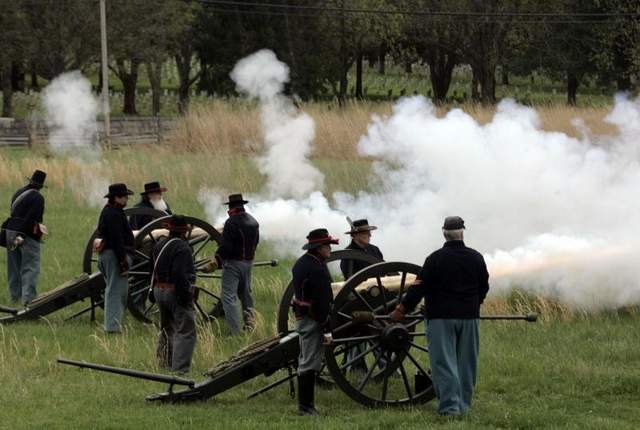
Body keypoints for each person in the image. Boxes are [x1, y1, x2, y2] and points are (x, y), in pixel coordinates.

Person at [390, 216, 490, 416]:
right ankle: (464, 406)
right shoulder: (476, 257)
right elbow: (484, 286)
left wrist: (402, 309)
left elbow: (418, 288)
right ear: (462, 232)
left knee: (444, 363)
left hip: (440, 317)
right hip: (469, 317)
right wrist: (473, 304)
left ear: (444, 233)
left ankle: (450, 408)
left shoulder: (434, 259)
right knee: (467, 363)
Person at [292, 228, 338, 416]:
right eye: (327, 246)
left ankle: (306, 405)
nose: (330, 249)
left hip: (303, 317)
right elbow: (321, 304)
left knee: (306, 359)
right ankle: (305, 407)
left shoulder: (302, 263)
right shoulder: (317, 269)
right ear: (319, 248)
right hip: (312, 319)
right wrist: (327, 329)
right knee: (309, 362)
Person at [152, 215, 197, 375]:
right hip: (175, 291)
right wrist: (186, 295)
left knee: (166, 328)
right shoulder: (183, 248)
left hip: (159, 290)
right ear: (184, 231)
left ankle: (164, 363)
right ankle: (180, 371)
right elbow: (180, 274)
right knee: (185, 331)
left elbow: (153, 269)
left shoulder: (159, 244)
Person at [340, 217, 384, 373]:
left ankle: (384, 365)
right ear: (354, 236)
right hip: (359, 300)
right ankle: (357, 367)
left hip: (379, 298)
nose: (369, 236)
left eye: (369, 233)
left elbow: (386, 271)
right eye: (365, 233)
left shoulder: (375, 250)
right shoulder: (347, 255)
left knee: (378, 332)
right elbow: (349, 281)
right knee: (363, 331)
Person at [214, 194, 259, 335]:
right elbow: (256, 242)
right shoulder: (253, 221)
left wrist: (216, 259)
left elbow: (226, 247)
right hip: (248, 263)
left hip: (233, 264)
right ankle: (250, 325)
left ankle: (235, 332)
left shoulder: (231, 223)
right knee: (246, 295)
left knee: (229, 297)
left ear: (231, 207)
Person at [96, 183, 135, 333]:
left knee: (117, 291)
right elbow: (117, 240)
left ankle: (113, 324)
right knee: (115, 292)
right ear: (117, 198)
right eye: (125, 196)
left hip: (110, 254)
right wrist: (123, 262)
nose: (127, 199)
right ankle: (112, 328)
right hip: (114, 255)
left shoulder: (111, 211)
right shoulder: (113, 214)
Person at [4, 170, 47, 306]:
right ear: (40, 186)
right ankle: (29, 300)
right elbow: (32, 218)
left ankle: (15, 298)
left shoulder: (18, 192)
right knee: (30, 267)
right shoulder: (38, 198)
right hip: (26, 234)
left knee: (14, 267)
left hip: (10, 231)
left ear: (31, 181)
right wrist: (22, 235)